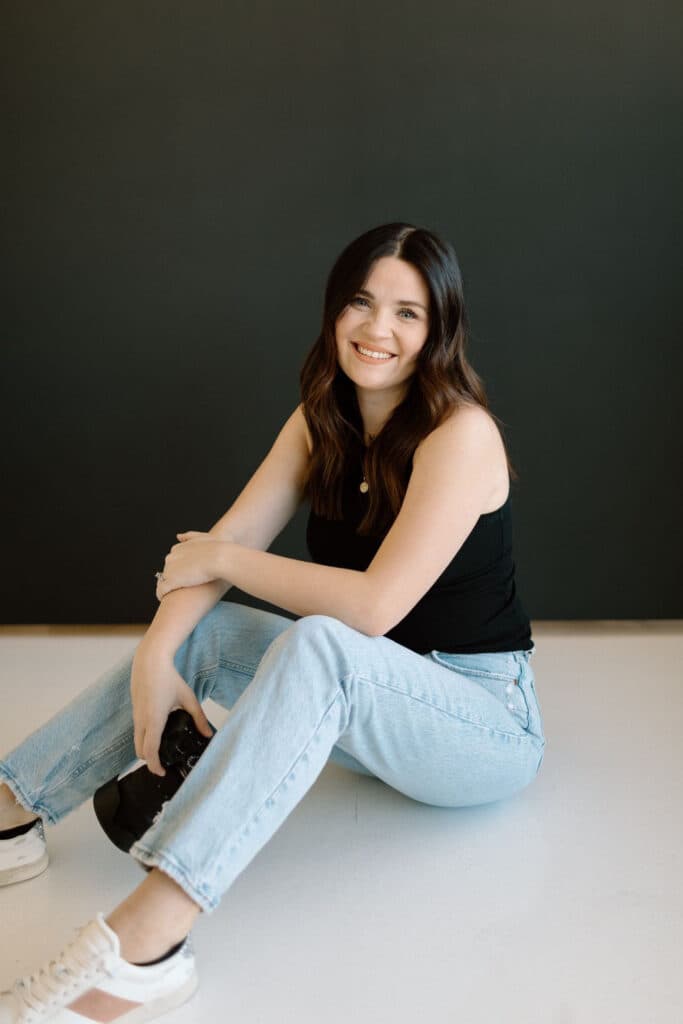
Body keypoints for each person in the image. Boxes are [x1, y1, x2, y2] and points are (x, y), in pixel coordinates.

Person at [0, 222, 545, 1022]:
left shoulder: (460, 435)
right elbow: (223, 544)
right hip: (366, 701)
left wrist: (221, 562)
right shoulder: (319, 418)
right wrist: (159, 656)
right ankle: (12, 812)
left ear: (438, 332)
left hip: (480, 721)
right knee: (216, 632)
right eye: (361, 302)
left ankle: (146, 946)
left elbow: (368, 608)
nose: (376, 329)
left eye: (407, 313)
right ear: (333, 310)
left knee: (322, 636)